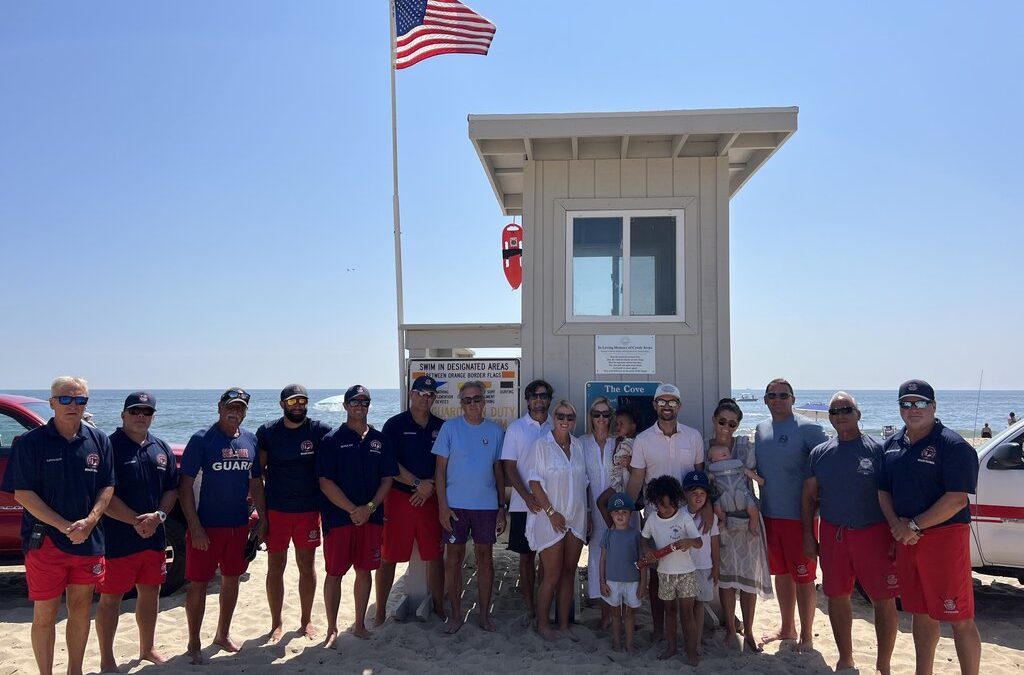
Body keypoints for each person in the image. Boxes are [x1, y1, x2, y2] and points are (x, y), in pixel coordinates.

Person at [1, 376, 114, 675]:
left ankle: (74, 671)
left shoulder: (99, 440)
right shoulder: (30, 443)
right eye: (65, 399)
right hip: (46, 543)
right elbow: (22, 493)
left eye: (80, 400)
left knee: (79, 611)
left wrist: (90, 521)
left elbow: (107, 486)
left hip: (87, 541)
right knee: (45, 615)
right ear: (52, 402)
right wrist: (64, 525)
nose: (73, 405)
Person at [878, 380, 981, 675]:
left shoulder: (953, 445)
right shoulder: (891, 446)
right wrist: (896, 526)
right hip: (907, 539)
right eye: (906, 404)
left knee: (959, 615)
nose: (913, 409)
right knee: (920, 612)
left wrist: (912, 525)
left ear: (934, 407)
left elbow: (957, 499)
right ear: (899, 408)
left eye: (920, 403)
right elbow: (883, 492)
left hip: (945, 539)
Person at [802, 392, 898, 674]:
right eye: (834, 412)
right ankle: (845, 659)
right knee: (837, 595)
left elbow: (894, 494)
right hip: (835, 534)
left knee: (883, 598)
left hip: (874, 532)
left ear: (858, 413)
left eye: (846, 409)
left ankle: (884, 664)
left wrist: (894, 533)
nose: (840, 415)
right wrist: (809, 535)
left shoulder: (878, 450)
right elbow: (808, 496)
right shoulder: (820, 453)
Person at [179, 387, 266, 664]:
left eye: (240, 408)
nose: (235, 412)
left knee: (232, 579)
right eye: (231, 406)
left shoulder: (250, 440)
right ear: (219, 407)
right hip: (207, 527)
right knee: (198, 584)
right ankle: (193, 642)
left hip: (238, 526)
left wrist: (262, 520)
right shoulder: (202, 439)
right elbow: (184, 488)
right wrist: (195, 527)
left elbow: (256, 484)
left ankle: (222, 634)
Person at [96, 392, 179, 672]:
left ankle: (147, 648)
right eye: (134, 411)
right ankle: (107, 659)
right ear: (123, 415)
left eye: (146, 412)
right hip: (116, 539)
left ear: (153, 417)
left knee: (151, 592)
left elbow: (171, 489)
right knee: (111, 599)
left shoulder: (161, 447)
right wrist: (136, 521)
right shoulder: (108, 445)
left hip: (153, 537)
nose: (140, 416)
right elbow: (104, 494)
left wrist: (158, 517)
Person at [317, 385, 397, 646]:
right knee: (335, 573)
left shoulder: (380, 440)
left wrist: (369, 508)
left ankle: (360, 624)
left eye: (364, 402)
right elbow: (325, 482)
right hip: (339, 519)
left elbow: (387, 479)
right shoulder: (331, 440)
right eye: (354, 402)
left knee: (364, 571)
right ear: (345, 406)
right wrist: (353, 509)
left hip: (371, 518)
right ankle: (331, 628)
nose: (359, 406)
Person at [625, 382, 707, 640]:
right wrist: (627, 512)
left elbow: (700, 477)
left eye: (672, 402)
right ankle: (660, 631)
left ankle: (691, 634)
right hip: (654, 517)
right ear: (654, 405)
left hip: (687, 516)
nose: (667, 406)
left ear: (679, 406)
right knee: (657, 576)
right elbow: (637, 479)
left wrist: (709, 508)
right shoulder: (643, 440)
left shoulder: (693, 436)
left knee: (689, 575)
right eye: (662, 402)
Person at [754, 377, 828, 651]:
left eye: (783, 395)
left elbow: (828, 467)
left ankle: (807, 636)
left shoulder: (810, 429)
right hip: (770, 515)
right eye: (772, 395)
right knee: (782, 575)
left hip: (802, 518)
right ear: (765, 400)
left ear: (793, 399)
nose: (778, 399)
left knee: (804, 577)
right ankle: (787, 628)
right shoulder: (761, 429)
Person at [257, 384, 332, 643]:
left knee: (306, 566)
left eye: (302, 400)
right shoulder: (267, 432)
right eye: (292, 401)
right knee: (275, 566)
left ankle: (306, 620)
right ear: (282, 405)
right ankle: (276, 623)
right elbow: (258, 473)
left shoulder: (319, 431)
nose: (298, 405)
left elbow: (335, 464)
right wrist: (261, 514)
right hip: (277, 510)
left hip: (309, 511)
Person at [433, 380, 507, 634]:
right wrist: (443, 506)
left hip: (486, 507)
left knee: (485, 559)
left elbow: (499, 471)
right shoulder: (449, 429)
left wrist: (501, 506)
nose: (473, 404)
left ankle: (484, 615)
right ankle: (455, 615)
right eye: (467, 400)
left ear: (484, 402)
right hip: (455, 507)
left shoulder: (496, 431)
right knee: (452, 559)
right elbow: (439, 471)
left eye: (477, 399)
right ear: (461, 404)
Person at [374, 375, 446, 625]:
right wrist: (418, 483)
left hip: (431, 498)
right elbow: (388, 464)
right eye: (421, 393)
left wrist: (431, 487)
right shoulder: (394, 425)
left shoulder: (442, 425)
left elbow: (447, 464)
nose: (426, 398)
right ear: (411, 394)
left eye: (431, 395)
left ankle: (438, 606)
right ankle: (381, 610)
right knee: (388, 556)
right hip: (400, 498)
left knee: (435, 556)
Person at [521, 399, 589, 641]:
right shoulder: (541, 445)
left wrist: (588, 515)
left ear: (574, 420)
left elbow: (585, 483)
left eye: (570, 417)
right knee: (551, 574)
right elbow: (534, 482)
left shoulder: (579, 446)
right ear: (553, 417)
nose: (565, 421)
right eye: (560, 416)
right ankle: (542, 624)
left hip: (577, 517)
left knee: (569, 572)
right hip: (551, 518)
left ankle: (562, 625)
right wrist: (551, 513)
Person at [711, 397, 772, 653]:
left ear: (738, 425)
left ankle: (748, 630)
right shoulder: (705, 447)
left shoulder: (746, 447)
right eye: (722, 421)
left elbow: (759, 480)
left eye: (732, 423)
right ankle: (729, 629)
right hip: (723, 523)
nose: (726, 426)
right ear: (715, 420)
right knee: (726, 580)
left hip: (748, 524)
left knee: (748, 580)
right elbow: (702, 485)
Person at [500, 378, 552, 625]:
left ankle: (544, 603)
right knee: (526, 557)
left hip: (552, 504)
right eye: (534, 396)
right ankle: (530, 606)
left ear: (549, 399)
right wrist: (527, 497)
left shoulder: (558, 424)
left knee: (548, 556)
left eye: (543, 395)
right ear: (527, 400)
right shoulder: (516, 428)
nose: (538, 400)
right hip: (523, 505)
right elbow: (509, 468)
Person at [641, 475, 703, 665]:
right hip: (664, 574)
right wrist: (648, 550)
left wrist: (689, 541)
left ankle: (692, 652)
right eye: (663, 506)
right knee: (669, 611)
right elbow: (644, 538)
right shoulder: (652, 519)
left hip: (686, 573)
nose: (667, 510)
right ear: (655, 503)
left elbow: (699, 542)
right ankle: (671, 647)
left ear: (677, 501)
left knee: (687, 613)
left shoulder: (684, 517)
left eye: (671, 505)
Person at [580, 396, 618, 628]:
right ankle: (606, 616)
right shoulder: (581, 443)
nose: (601, 419)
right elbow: (580, 481)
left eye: (605, 414)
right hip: (594, 512)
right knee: (598, 562)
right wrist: (585, 513)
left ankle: (620, 615)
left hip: (620, 513)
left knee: (621, 561)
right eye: (597, 414)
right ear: (591, 417)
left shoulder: (620, 443)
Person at [599, 492, 645, 653]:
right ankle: (617, 642)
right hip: (612, 581)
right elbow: (602, 560)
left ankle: (629, 643)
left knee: (630, 614)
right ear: (611, 514)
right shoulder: (608, 534)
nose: (620, 515)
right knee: (615, 614)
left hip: (632, 581)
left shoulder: (636, 535)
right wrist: (602, 581)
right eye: (616, 512)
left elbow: (642, 561)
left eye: (624, 512)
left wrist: (643, 583)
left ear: (630, 514)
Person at [682, 470, 720, 654]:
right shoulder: (679, 515)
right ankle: (689, 640)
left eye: (702, 494)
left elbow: (715, 544)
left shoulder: (711, 518)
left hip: (705, 567)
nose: (698, 497)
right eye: (694, 493)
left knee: (700, 605)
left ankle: (696, 641)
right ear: (685, 494)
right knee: (686, 607)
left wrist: (716, 567)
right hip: (684, 569)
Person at [706, 441, 763, 535]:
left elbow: (747, 472)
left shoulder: (737, 467)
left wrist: (759, 480)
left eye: (728, 454)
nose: (729, 457)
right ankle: (723, 520)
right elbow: (706, 480)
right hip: (724, 497)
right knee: (716, 507)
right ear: (714, 460)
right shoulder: (714, 472)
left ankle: (753, 528)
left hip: (743, 495)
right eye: (724, 455)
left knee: (753, 510)